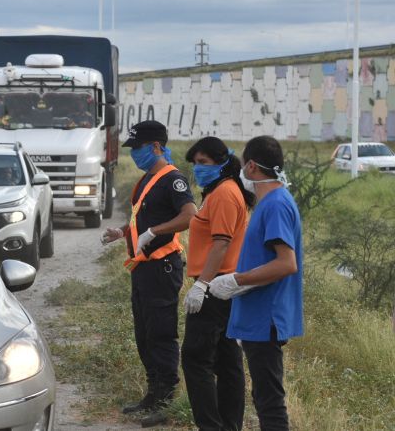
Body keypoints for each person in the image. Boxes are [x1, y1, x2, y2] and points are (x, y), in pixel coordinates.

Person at [101, 120, 196, 428]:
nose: (135, 154)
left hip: (163, 267)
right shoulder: (145, 181)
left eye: (139, 148)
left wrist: (155, 230)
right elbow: (139, 222)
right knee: (143, 333)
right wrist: (122, 233)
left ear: (156, 147)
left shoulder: (173, 180)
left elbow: (189, 216)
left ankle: (167, 398)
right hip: (142, 268)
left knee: (161, 333)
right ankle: (153, 392)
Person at [208, 135, 303, 431]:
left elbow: (286, 263)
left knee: (270, 401)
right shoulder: (270, 202)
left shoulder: (275, 204)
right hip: (258, 316)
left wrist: (236, 280)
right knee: (263, 396)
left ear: (251, 166)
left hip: (267, 317)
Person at [181, 136, 255, 431]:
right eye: (195, 163)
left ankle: (212, 425)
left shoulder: (224, 193)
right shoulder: (222, 190)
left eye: (203, 163)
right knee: (227, 361)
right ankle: (229, 425)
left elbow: (221, 244)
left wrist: (202, 286)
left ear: (222, 163)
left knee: (195, 360)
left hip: (215, 286)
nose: (198, 168)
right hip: (223, 285)